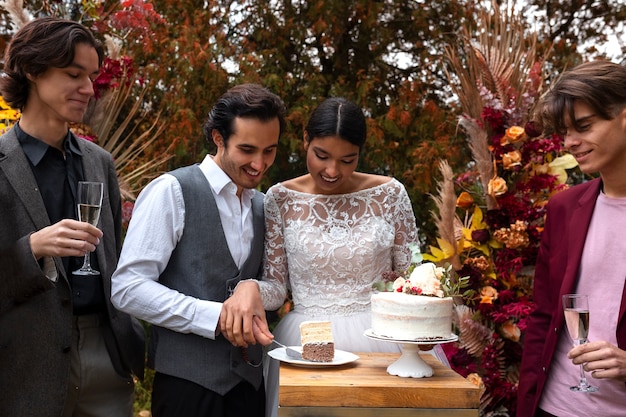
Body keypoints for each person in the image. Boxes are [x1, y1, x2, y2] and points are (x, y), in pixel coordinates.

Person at [224, 97, 444, 417]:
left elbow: (412, 272)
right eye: (322, 156)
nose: (332, 170)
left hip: (383, 339)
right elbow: (276, 286)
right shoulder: (279, 199)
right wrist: (250, 287)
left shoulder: (391, 194)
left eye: (347, 159)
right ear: (305, 141)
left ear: (360, 153)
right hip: (307, 342)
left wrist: (426, 314)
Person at [111, 83, 286, 417]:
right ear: (218, 138)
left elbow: (275, 288)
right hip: (186, 390)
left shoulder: (265, 206)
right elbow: (128, 288)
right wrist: (215, 316)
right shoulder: (172, 191)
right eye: (247, 149)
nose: (259, 164)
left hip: (249, 388)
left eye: (269, 151)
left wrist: (254, 290)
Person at [0, 17, 145, 417]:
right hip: (25, 370)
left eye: (92, 75)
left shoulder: (101, 162)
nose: (88, 88)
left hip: (107, 359)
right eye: (73, 74)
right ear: (32, 70)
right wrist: (32, 248)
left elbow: (119, 260)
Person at [517, 60, 626, 417]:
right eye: (566, 130)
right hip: (555, 406)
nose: (570, 143)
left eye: (584, 126)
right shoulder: (564, 207)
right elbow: (543, 315)